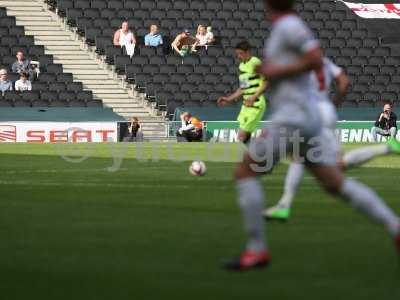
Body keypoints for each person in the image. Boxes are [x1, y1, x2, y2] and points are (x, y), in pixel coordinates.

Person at [223, 0, 400, 272]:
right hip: (308, 117)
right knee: (334, 181)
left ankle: (257, 250)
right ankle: (395, 228)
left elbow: (314, 58)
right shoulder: (289, 27)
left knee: (246, 172)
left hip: (292, 118)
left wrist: (275, 71)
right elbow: (329, 72)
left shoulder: (289, 26)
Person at [264, 58, 400, 220]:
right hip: (327, 111)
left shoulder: (296, 63)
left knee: (298, 157)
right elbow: (344, 82)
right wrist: (333, 103)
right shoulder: (324, 62)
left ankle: (284, 205)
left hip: (311, 113)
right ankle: (387, 147)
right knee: (337, 166)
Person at [217, 41, 267, 144]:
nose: (239, 56)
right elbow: (243, 88)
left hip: (256, 104)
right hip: (246, 105)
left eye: (241, 53)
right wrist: (228, 99)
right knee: (243, 137)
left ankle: (256, 156)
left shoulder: (255, 62)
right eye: (237, 54)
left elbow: (266, 82)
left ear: (248, 52)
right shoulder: (242, 66)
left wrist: (254, 97)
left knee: (242, 135)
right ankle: (256, 156)